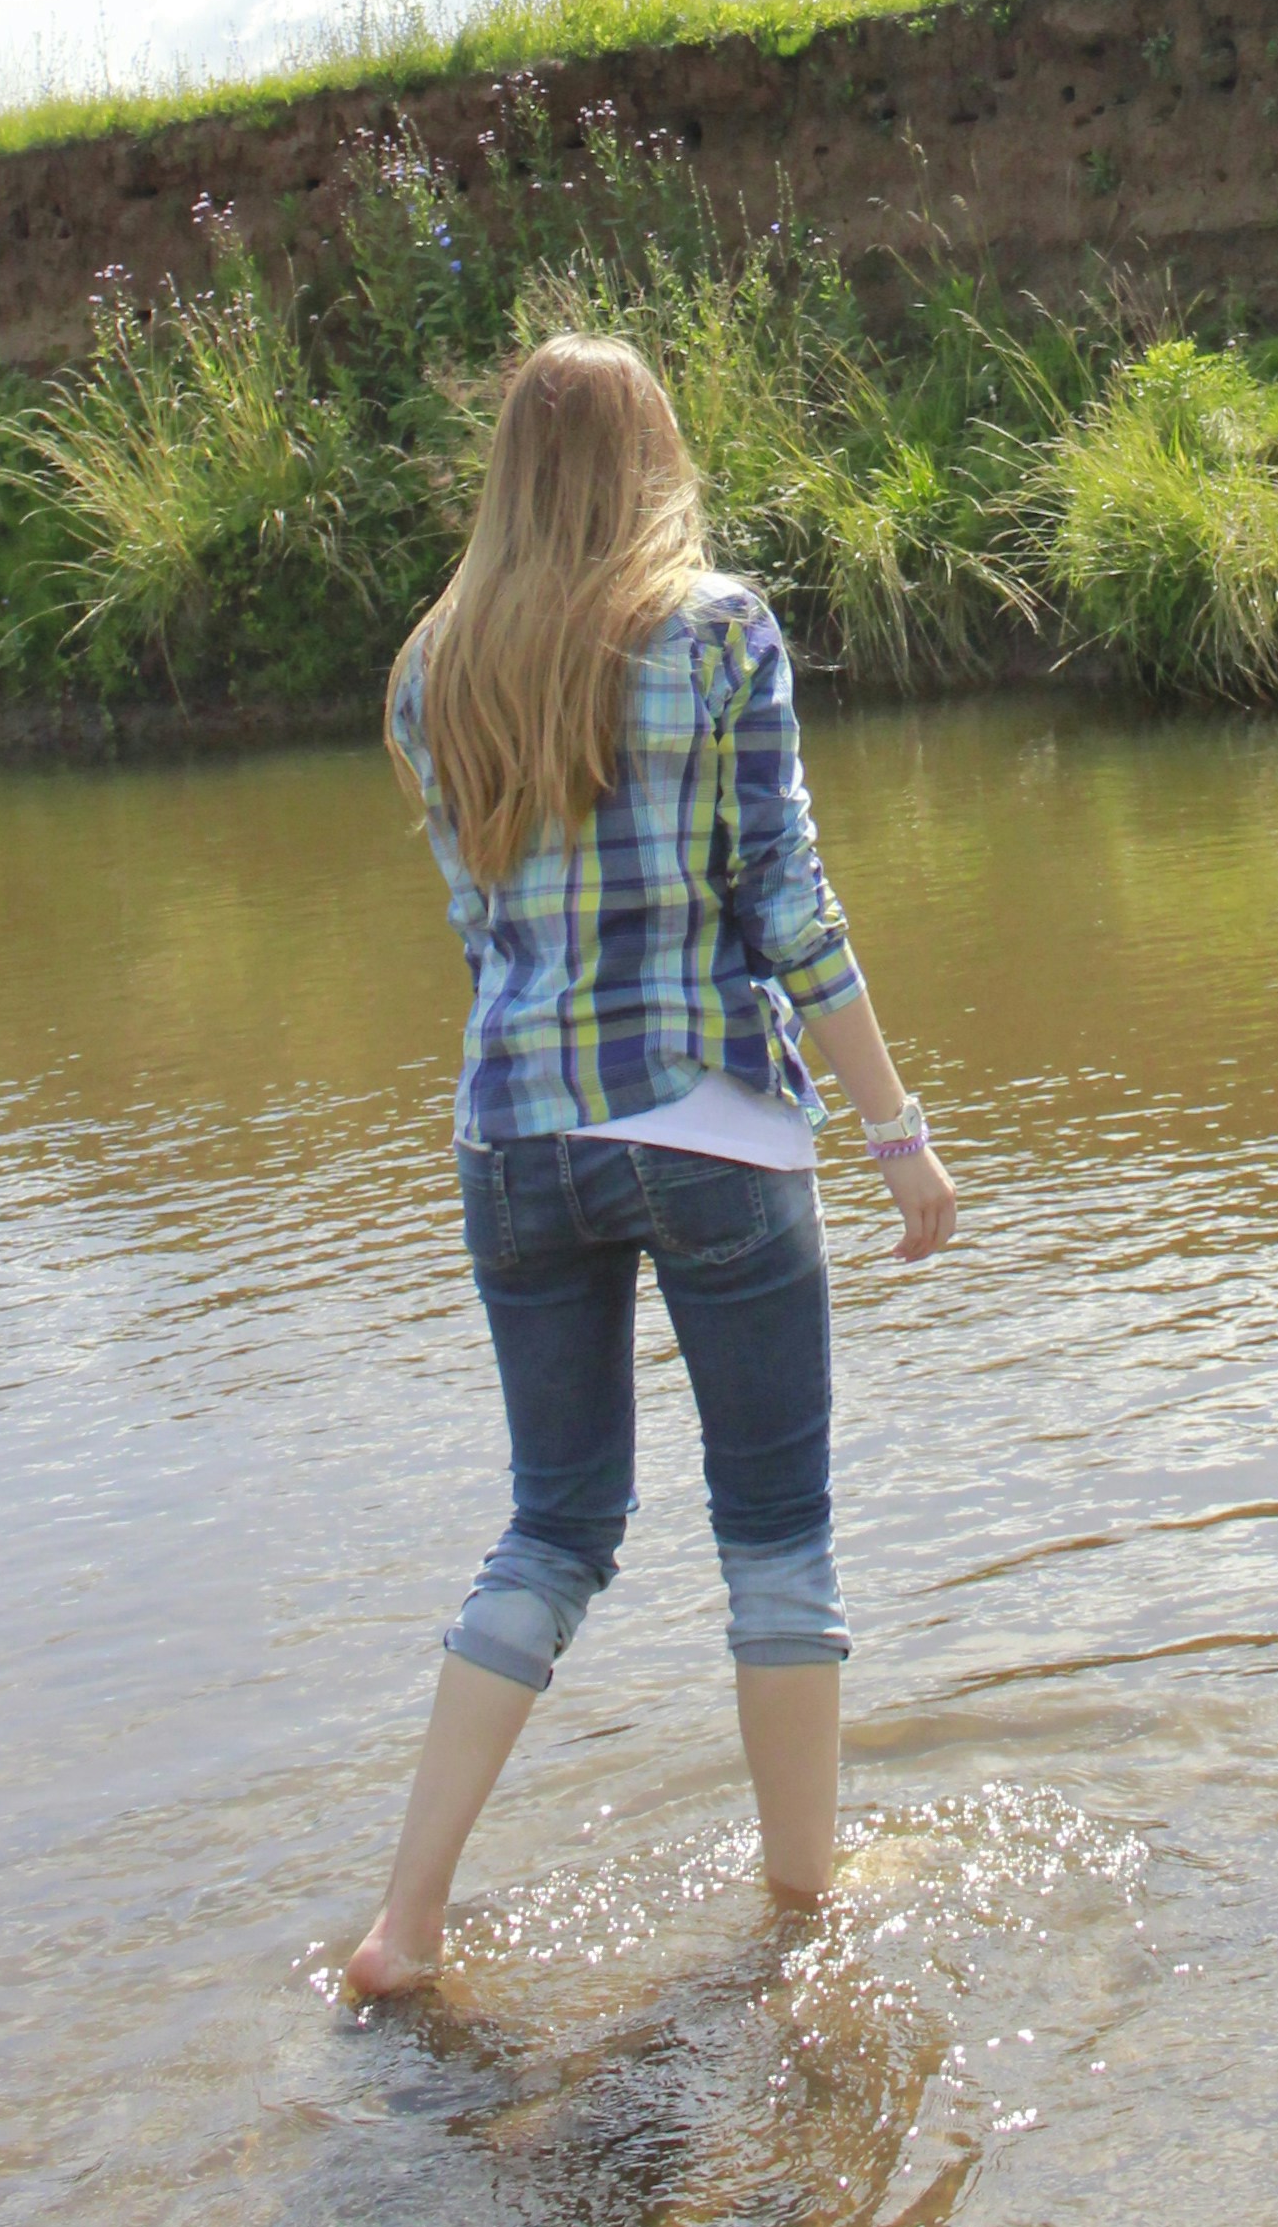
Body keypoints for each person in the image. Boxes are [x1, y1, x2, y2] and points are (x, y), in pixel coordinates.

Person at [341, 328, 958, 1993]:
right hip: (706, 1127)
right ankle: (807, 1901)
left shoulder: (431, 668)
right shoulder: (718, 629)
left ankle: (405, 1921)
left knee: (553, 1526)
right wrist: (895, 1132)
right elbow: (786, 906)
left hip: (512, 1136)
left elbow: (483, 930)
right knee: (777, 1527)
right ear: (656, 460)